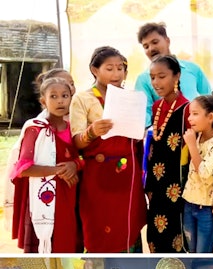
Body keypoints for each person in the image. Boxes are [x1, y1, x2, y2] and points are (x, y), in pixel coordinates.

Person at [71, 46, 146, 253]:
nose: (116, 74)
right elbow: (76, 141)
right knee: (99, 223)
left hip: (127, 172)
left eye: (120, 68)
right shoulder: (82, 99)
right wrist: (92, 132)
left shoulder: (130, 97)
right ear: (94, 70)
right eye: (109, 69)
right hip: (98, 175)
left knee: (127, 222)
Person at [11, 76, 80, 253]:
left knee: (66, 246)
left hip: (68, 197)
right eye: (53, 96)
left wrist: (74, 165)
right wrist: (59, 170)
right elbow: (23, 169)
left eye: (65, 95)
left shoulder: (73, 128)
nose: (60, 101)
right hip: (41, 200)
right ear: (43, 101)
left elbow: (82, 159)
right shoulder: (36, 128)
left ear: (71, 98)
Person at [145, 55, 189, 253]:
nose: (156, 82)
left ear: (176, 76)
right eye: (152, 77)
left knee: (175, 233)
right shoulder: (157, 107)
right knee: (154, 234)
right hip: (156, 182)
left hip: (177, 183)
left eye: (161, 76)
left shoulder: (188, 109)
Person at [134, 22, 211, 127]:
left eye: (155, 42)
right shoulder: (143, 79)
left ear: (167, 41)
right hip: (167, 136)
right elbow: (144, 115)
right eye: (146, 46)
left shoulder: (192, 69)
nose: (151, 48)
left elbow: (209, 100)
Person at [181, 91, 213, 253]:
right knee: (191, 250)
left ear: (210, 117)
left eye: (195, 114)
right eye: (190, 114)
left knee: (203, 252)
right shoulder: (198, 136)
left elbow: (205, 175)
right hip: (189, 202)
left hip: (207, 207)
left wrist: (192, 147)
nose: (190, 118)